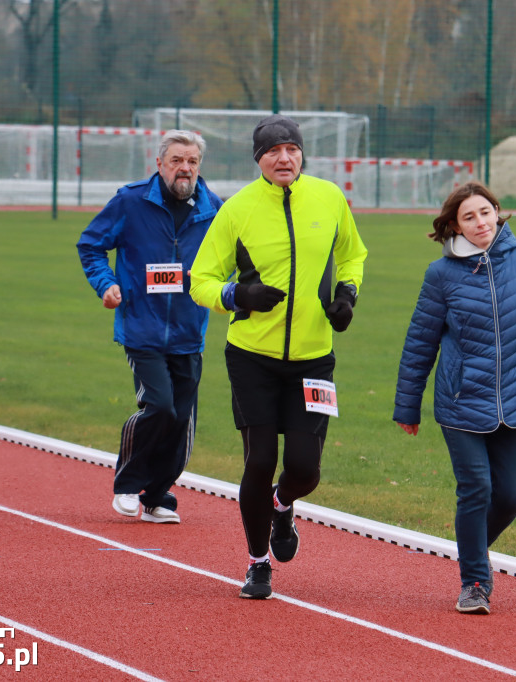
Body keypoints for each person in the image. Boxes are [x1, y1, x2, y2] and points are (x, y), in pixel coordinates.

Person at [190, 114, 368, 599]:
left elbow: (354, 254)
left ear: (302, 154)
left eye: (292, 149)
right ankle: (257, 562)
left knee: (306, 468)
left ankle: (283, 505)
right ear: (259, 160)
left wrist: (348, 294)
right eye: (273, 151)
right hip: (252, 358)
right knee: (259, 460)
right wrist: (237, 297)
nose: (284, 158)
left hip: (314, 359)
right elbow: (199, 280)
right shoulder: (237, 210)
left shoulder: (329, 198)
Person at [393, 181, 516, 615]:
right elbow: (420, 342)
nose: (480, 222)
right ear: (455, 225)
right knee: (476, 489)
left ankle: (470, 549)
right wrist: (408, 405)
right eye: (469, 217)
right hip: (458, 401)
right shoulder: (441, 275)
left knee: (512, 495)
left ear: (498, 212)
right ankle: (474, 581)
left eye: (486, 212)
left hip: (514, 402)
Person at [77, 129, 222, 525]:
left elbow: (234, 259)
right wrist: (105, 284)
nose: (185, 168)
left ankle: (158, 495)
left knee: (181, 420)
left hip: (190, 331)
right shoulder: (131, 201)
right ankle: (128, 482)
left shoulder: (214, 208)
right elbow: (90, 244)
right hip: (142, 326)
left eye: (192, 162)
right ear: (159, 164)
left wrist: (220, 282)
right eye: (177, 160)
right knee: (159, 406)